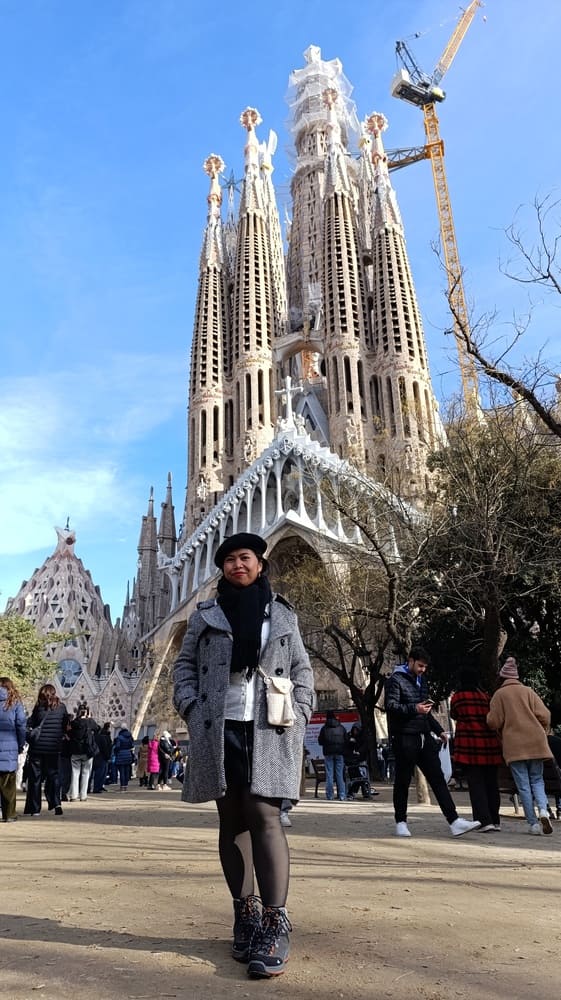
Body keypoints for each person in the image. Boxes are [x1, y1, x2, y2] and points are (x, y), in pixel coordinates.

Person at [173, 531, 314, 979]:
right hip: (220, 725)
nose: (238, 565)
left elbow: (301, 669)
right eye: (230, 559)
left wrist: (304, 710)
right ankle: (245, 913)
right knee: (231, 819)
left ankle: (275, 921)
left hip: (269, 724)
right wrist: (191, 707)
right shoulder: (206, 614)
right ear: (223, 568)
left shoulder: (283, 613)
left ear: (259, 563)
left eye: (246, 558)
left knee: (265, 815)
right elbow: (184, 666)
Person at [385, 647, 480, 838]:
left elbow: (426, 711)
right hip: (404, 736)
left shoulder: (422, 681)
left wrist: (438, 730)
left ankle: (454, 821)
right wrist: (414, 708)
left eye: (425, 667)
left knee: (437, 778)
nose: (422, 670)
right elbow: (391, 706)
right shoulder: (395, 680)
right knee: (403, 781)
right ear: (410, 661)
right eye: (420, 666)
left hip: (424, 735)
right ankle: (401, 821)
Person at [487, 656, 553, 835]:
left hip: (514, 746)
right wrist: (543, 731)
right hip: (536, 742)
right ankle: (544, 810)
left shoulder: (499, 695)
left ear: (502, 677)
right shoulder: (529, 692)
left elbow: (493, 722)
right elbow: (545, 715)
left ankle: (533, 824)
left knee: (523, 784)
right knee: (537, 780)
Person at [450, 668, 503, 832]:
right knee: (491, 784)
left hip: (469, 745)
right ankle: (495, 819)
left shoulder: (457, 697)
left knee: (476, 784)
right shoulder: (485, 697)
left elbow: (454, 715)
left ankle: (483, 820)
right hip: (489, 744)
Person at [24, 683, 70, 817]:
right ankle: (56, 803)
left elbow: (30, 723)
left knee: (35, 778)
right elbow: (65, 725)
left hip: (37, 748)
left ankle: (35, 808)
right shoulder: (62, 708)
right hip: (54, 748)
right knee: (54, 775)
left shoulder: (39, 708)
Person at [0, 677, 27, 822]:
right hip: (9, 746)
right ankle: (9, 814)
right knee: (9, 782)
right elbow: (21, 725)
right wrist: (21, 744)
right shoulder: (15, 703)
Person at [68, 705, 99, 801]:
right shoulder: (90, 722)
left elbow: (69, 733)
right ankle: (83, 795)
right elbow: (98, 729)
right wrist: (89, 718)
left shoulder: (74, 723)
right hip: (87, 751)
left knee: (75, 774)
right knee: (86, 773)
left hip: (75, 751)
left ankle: (73, 795)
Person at [318, 710, 347, 801]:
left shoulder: (324, 728)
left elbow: (320, 741)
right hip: (339, 753)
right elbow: (346, 740)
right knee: (339, 774)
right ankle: (342, 795)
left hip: (328, 753)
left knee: (329, 774)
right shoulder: (341, 727)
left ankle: (330, 795)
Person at [343, 724, 375, 800]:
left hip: (360, 759)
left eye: (356, 730)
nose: (355, 732)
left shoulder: (362, 738)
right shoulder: (350, 736)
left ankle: (353, 793)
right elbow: (347, 747)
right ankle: (365, 791)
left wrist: (358, 751)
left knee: (360, 777)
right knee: (360, 777)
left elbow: (364, 747)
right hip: (353, 761)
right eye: (354, 730)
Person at [113, 723, 135, 791]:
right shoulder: (130, 736)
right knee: (127, 771)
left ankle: (122, 786)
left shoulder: (119, 737)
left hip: (121, 754)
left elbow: (117, 746)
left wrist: (115, 751)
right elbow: (132, 745)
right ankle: (126, 785)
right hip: (128, 754)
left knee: (122, 771)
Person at [93, 722, 113, 793]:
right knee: (101, 773)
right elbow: (105, 748)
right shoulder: (101, 737)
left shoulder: (94, 737)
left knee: (97, 773)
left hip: (96, 756)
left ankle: (96, 787)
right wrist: (108, 756)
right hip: (101, 757)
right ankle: (97, 787)